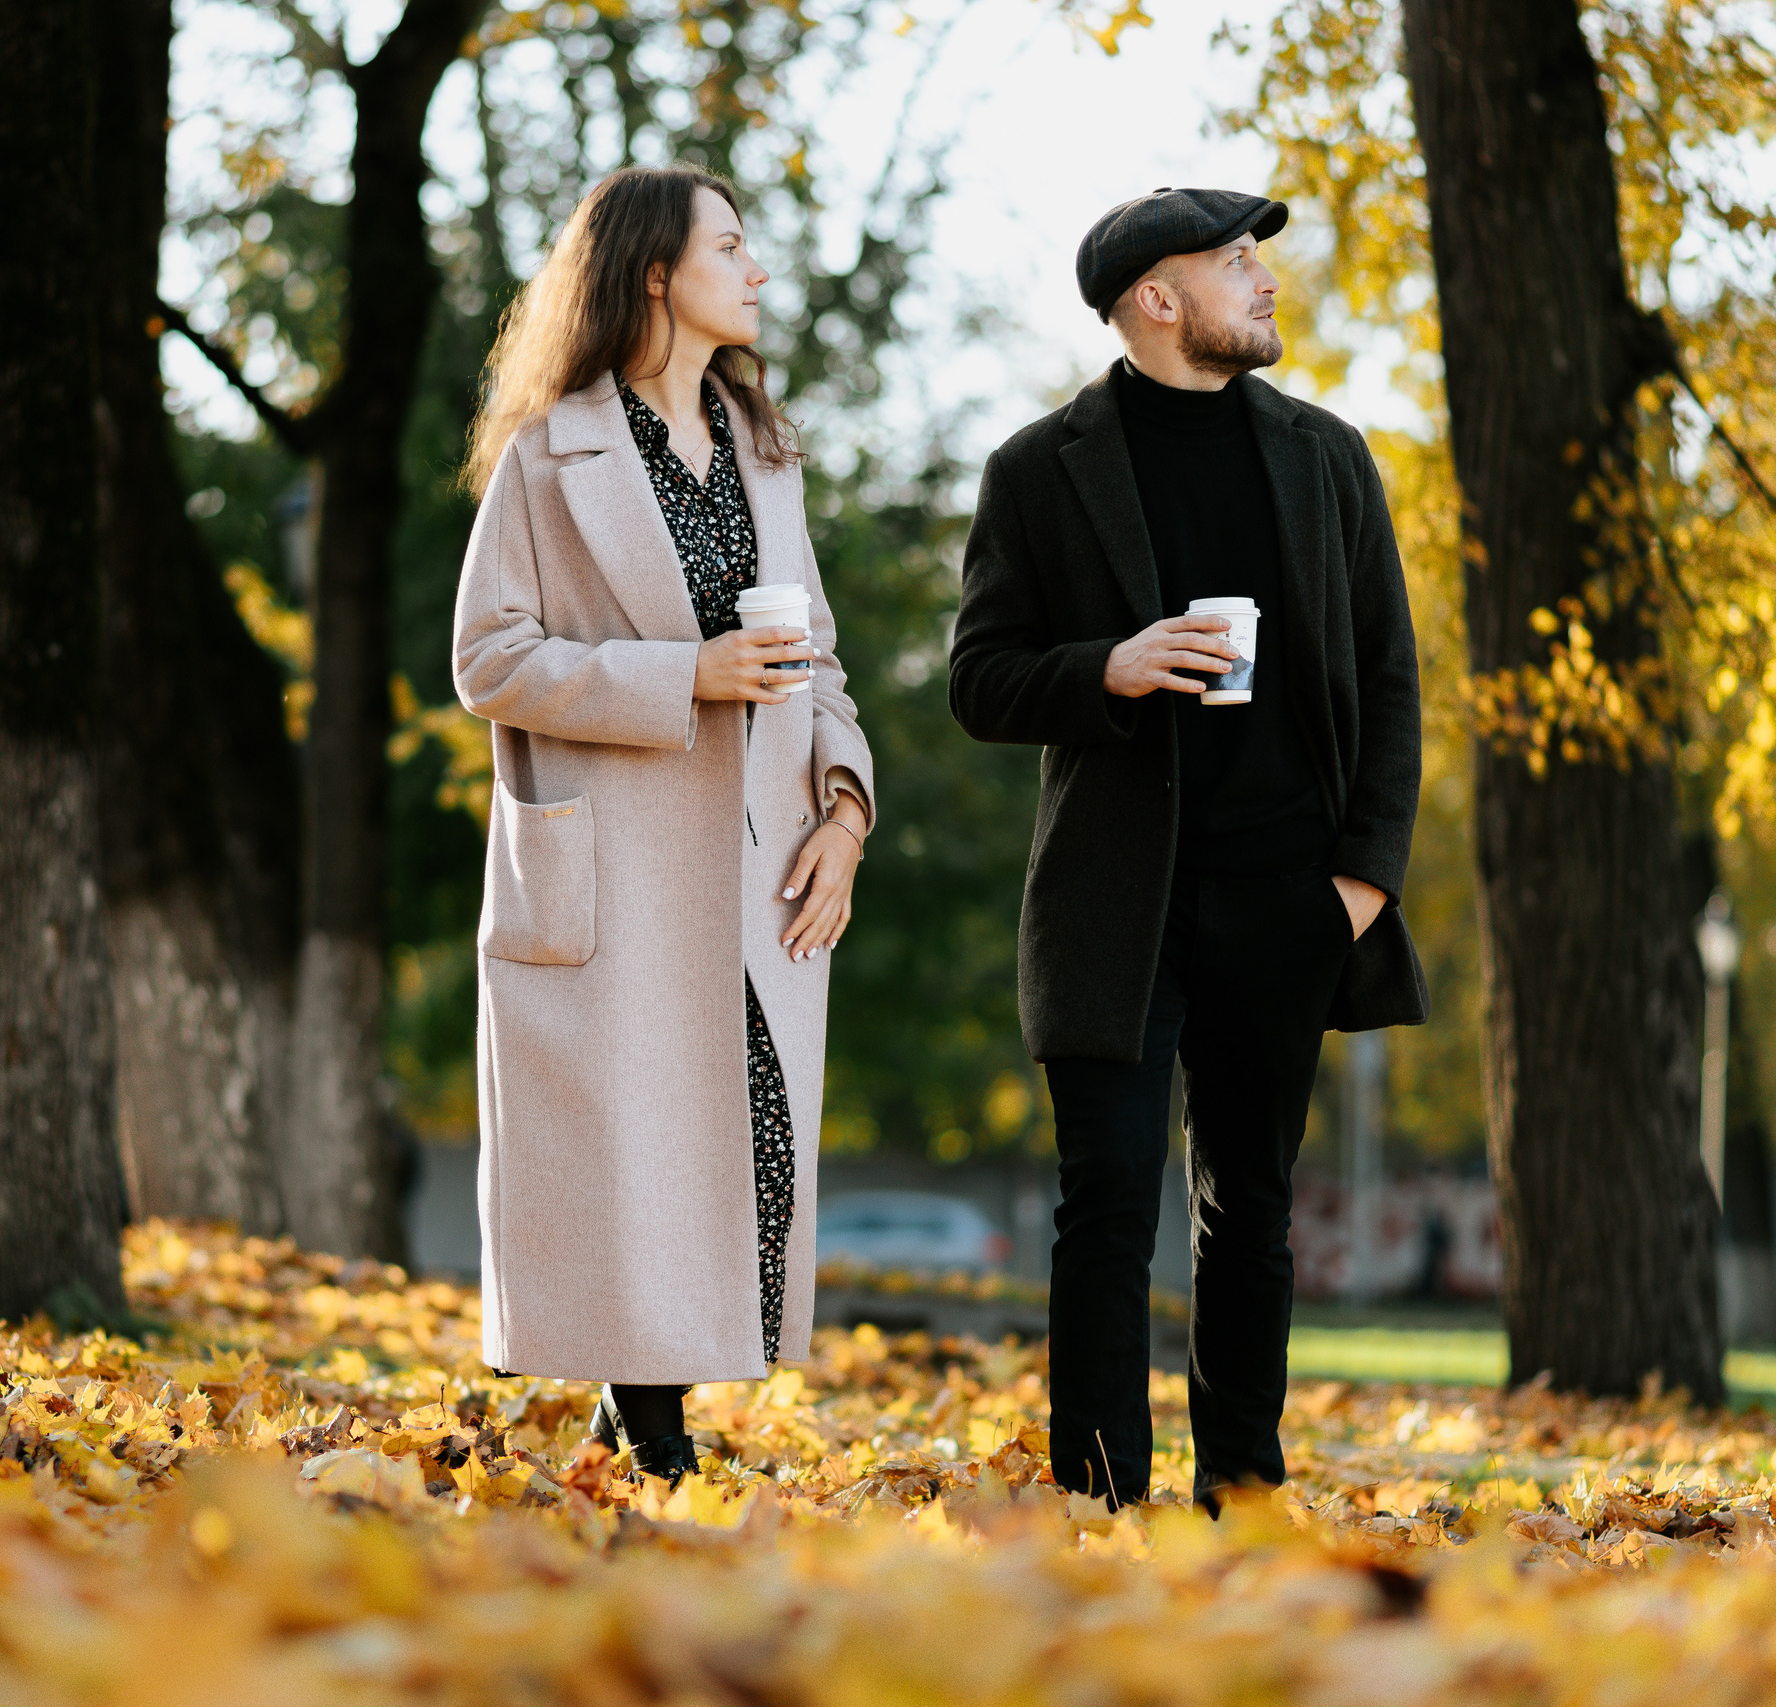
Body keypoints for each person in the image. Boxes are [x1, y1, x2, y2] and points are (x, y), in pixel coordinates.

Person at [948, 187, 1425, 1510]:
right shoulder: (1040, 470)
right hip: (1114, 904)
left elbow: (1391, 680)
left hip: (1288, 894)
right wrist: (1112, 665)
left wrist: (1360, 884)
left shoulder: (1328, 457)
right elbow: (978, 680)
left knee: (1251, 1213)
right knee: (1107, 1203)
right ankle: (1099, 1500)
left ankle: (1244, 1496)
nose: (1262, 279)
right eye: (1232, 260)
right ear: (1154, 299)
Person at [452, 165, 876, 1483]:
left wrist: (848, 814)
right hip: (617, 862)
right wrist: (680, 678)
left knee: (737, 1135)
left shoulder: (768, 454)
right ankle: (656, 1440)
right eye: (731, 247)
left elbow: (823, 667)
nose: (756, 271)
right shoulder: (547, 454)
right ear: (653, 272)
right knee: (637, 1153)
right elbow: (489, 660)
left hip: (756, 867)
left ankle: (632, 1427)